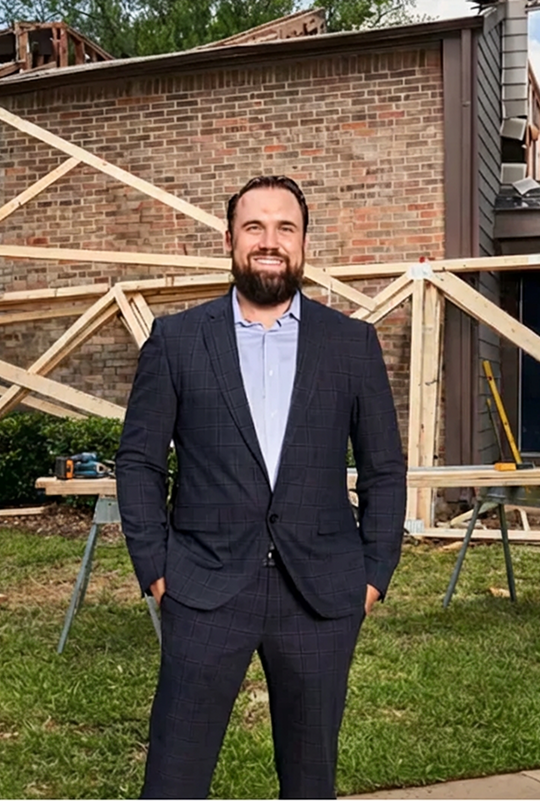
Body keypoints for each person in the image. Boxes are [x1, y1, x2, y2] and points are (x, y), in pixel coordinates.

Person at [116, 175, 406, 800]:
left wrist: (374, 573)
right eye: (255, 227)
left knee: (309, 782)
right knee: (173, 779)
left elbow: (384, 467)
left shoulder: (351, 344)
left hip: (322, 596)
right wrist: (156, 568)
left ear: (303, 243)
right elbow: (138, 462)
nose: (269, 241)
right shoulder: (178, 340)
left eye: (285, 228)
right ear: (229, 240)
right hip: (203, 589)